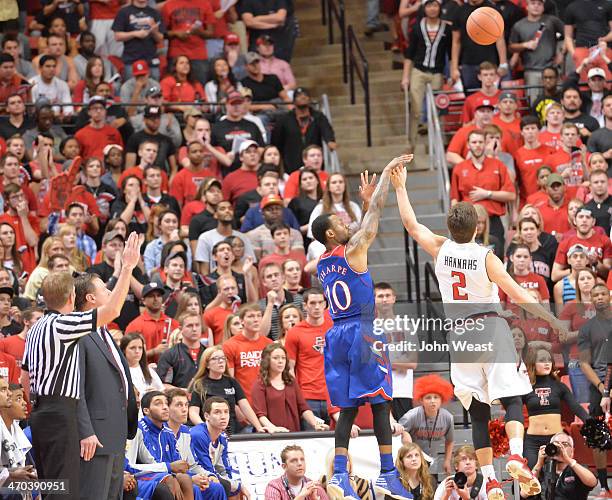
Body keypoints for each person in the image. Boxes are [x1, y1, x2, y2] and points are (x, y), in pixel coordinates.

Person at [392, 164, 572, 499]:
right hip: (490, 327)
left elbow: (411, 224)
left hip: (459, 336)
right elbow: (517, 295)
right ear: (478, 227)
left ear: (449, 227)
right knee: (513, 398)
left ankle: (490, 480)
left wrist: (400, 187)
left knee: (476, 410)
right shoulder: (486, 257)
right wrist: (554, 320)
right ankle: (517, 454)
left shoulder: (441, 249)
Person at [311, 155, 414, 498]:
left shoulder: (323, 263)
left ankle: (339, 475)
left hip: (336, 333)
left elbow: (363, 225)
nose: (346, 221)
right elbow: (374, 218)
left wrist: (365, 203)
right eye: (340, 221)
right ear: (330, 233)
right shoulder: (352, 250)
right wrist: (385, 174)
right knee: (382, 401)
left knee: (350, 408)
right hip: (362, 331)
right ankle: (387, 472)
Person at [21, 232, 140, 499]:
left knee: (54, 487)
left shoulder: (36, 328)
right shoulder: (63, 325)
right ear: (72, 297)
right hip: (62, 413)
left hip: (42, 413)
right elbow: (111, 312)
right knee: (66, 492)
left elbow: (25, 376)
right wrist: (127, 269)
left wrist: (40, 408)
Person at [73, 272, 138, 500]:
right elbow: (76, 389)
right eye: (104, 290)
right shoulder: (79, 333)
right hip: (95, 437)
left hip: (115, 433)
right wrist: (86, 431)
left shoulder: (105, 332)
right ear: (90, 298)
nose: (110, 293)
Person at [522, 347, 589, 470]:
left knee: (559, 478)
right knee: (533, 478)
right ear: (533, 363)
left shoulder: (560, 386)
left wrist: (590, 422)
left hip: (557, 440)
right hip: (533, 442)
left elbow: (575, 406)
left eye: (549, 360)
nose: (547, 363)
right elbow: (513, 410)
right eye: (542, 360)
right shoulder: (525, 387)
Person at [400, 0, 450, 154]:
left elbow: (451, 52)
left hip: (437, 73)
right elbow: (409, 53)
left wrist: (450, 73)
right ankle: (411, 145)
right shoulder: (417, 27)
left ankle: (437, 143)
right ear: (424, 8)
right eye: (429, 5)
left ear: (440, 7)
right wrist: (405, 77)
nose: (432, 9)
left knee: (437, 109)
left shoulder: (447, 28)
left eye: (435, 5)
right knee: (415, 109)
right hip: (419, 71)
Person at [449, 129, 515, 243]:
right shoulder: (459, 168)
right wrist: (455, 222)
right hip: (468, 222)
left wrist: (487, 194)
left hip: (493, 221)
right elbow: (455, 199)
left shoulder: (498, 165)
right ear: (468, 145)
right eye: (474, 142)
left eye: (480, 142)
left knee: (495, 257)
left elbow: (511, 195)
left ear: (485, 143)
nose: (477, 145)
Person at [577, 283, 611, 494]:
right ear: (591, 299)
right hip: (597, 387)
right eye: (595, 295)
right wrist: (601, 388)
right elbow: (583, 363)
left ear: (609, 296)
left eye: (602, 293)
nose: (599, 297)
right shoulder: (586, 328)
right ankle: (604, 486)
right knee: (597, 437)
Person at [251, 342, 329, 433]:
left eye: (283, 358)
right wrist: (273, 428)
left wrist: (315, 424)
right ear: (267, 360)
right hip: (270, 436)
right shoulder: (259, 384)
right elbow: (260, 414)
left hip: (293, 433)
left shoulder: (291, 382)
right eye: (275, 358)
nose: (280, 361)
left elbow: (303, 408)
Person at [188, 345, 265, 434]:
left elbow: (245, 406)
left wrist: (258, 427)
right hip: (209, 432)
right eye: (215, 358)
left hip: (232, 431)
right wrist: (206, 428)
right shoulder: (199, 384)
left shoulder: (231, 382)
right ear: (207, 364)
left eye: (223, 358)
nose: (220, 361)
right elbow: (193, 412)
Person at [284, 287, 331, 421]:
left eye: (320, 302)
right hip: (308, 397)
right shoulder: (295, 332)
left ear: (325, 304)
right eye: (312, 303)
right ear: (305, 305)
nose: (317, 307)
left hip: (334, 393)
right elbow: (290, 368)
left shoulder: (334, 327)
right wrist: (298, 396)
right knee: (311, 440)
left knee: (338, 440)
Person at [190, 397, 248, 498]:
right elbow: (207, 469)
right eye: (217, 412)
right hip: (193, 476)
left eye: (226, 412)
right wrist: (237, 485)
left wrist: (237, 486)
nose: (223, 416)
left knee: (234, 489)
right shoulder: (199, 435)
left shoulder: (222, 437)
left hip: (208, 476)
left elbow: (225, 469)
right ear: (207, 416)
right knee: (224, 485)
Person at [508, 0, 564, 105]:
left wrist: (561, 53)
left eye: (539, 4)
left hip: (552, 68)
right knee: (534, 104)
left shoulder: (552, 21)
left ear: (543, 7)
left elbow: (568, 35)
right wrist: (525, 45)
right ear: (527, 6)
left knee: (558, 102)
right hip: (531, 70)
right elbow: (511, 47)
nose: (536, 6)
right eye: (533, 3)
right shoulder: (519, 25)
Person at [271, 88, 336, 173]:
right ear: (293, 101)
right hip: (291, 166)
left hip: (314, 166)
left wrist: (330, 140)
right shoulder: (284, 119)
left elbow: (326, 129)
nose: (303, 97)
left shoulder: (318, 117)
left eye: (305, 95)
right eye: (299, 96)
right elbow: (276, 141)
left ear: (310, 100)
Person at [399, 375, 455, 475]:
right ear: (421, 400)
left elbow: (450, 441)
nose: (432, 401)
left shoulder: (448, 417)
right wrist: (404, 433)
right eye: (428, 398)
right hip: (413, 462)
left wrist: (447, 460)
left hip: (432, 462)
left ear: (442, 399)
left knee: (431, 488)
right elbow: (398, 432)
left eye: (436, 397)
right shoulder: (411, 416)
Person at [222, 303, 274, 403]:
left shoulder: (269, 344)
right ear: (241, 321)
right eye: (251, 316)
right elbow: (229, 381)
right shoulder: (230, 345)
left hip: (269, 402)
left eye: (259, 316)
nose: (256, 319)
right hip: (245, 403)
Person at [195, 200, 257, 276]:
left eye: (230, 208)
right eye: (222, 209)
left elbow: (250, 264)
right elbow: (204, 272)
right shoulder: (205, 238)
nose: (227, 211)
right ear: (215, 215)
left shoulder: (243, 238)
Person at [530, 433, 598, 500]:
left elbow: (592, 483)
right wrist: (539, 464)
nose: (560, 448)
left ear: (572, 451)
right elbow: (525, 493)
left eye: (564, 444)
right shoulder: (542, 469)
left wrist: (568, 460)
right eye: (556, 444)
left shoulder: (577, 469)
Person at [156, 313, 207, 390]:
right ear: (180, 329)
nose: (194, 329)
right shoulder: (169, 355)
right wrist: (185, 391)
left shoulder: (209, 353)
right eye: (189, 326)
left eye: (197, 325)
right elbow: (163, 385)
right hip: (179, 399)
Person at [265, 445, 330, 500]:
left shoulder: (314, 486)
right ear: (284, 466)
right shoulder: (274, 486)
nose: (300, 463)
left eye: (302, 459)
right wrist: (301, 496)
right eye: (294, 461)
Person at [120, 332, 164, 399]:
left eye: (140, 348)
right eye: (132, 348)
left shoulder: (149, 371)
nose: (137, 351)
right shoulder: (120, 371)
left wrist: (155, 393)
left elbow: (162, 392)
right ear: (124, 350)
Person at [584, 170, 611, 234]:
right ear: (590, 186)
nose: (599, 185)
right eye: (596, 182)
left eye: (602, 182)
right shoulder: (586, 208)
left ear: (608, 184)